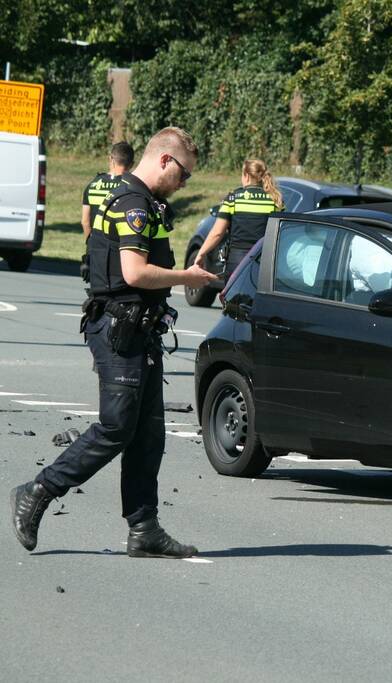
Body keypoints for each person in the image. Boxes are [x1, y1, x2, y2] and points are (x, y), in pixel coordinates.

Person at [11, 127, 219, 558]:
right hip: (118, 329)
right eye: (184, 174)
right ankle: (38, 490)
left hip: (140, 330)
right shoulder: (132, 203)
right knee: (117, 426)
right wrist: (187, 277)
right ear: (165, 160)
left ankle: (144, 529)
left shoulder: (145, 201)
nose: (184, 183)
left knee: (149, 434)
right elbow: (134, 273)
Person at [195, 159, 284, 280]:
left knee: (235, 292)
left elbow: (217, 233)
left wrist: (201, 254)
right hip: (264, 259)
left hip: (237, 260)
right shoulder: (275, 200)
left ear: (246, 176)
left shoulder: (233, 198)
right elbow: (281, 233)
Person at [81, 141, 134, 240]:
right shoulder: (132, 186)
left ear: (110, 159)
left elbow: (85, 222)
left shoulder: (93, 185)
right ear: (131, 164)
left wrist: (90, 244)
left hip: (96, 245)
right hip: (120, 244)